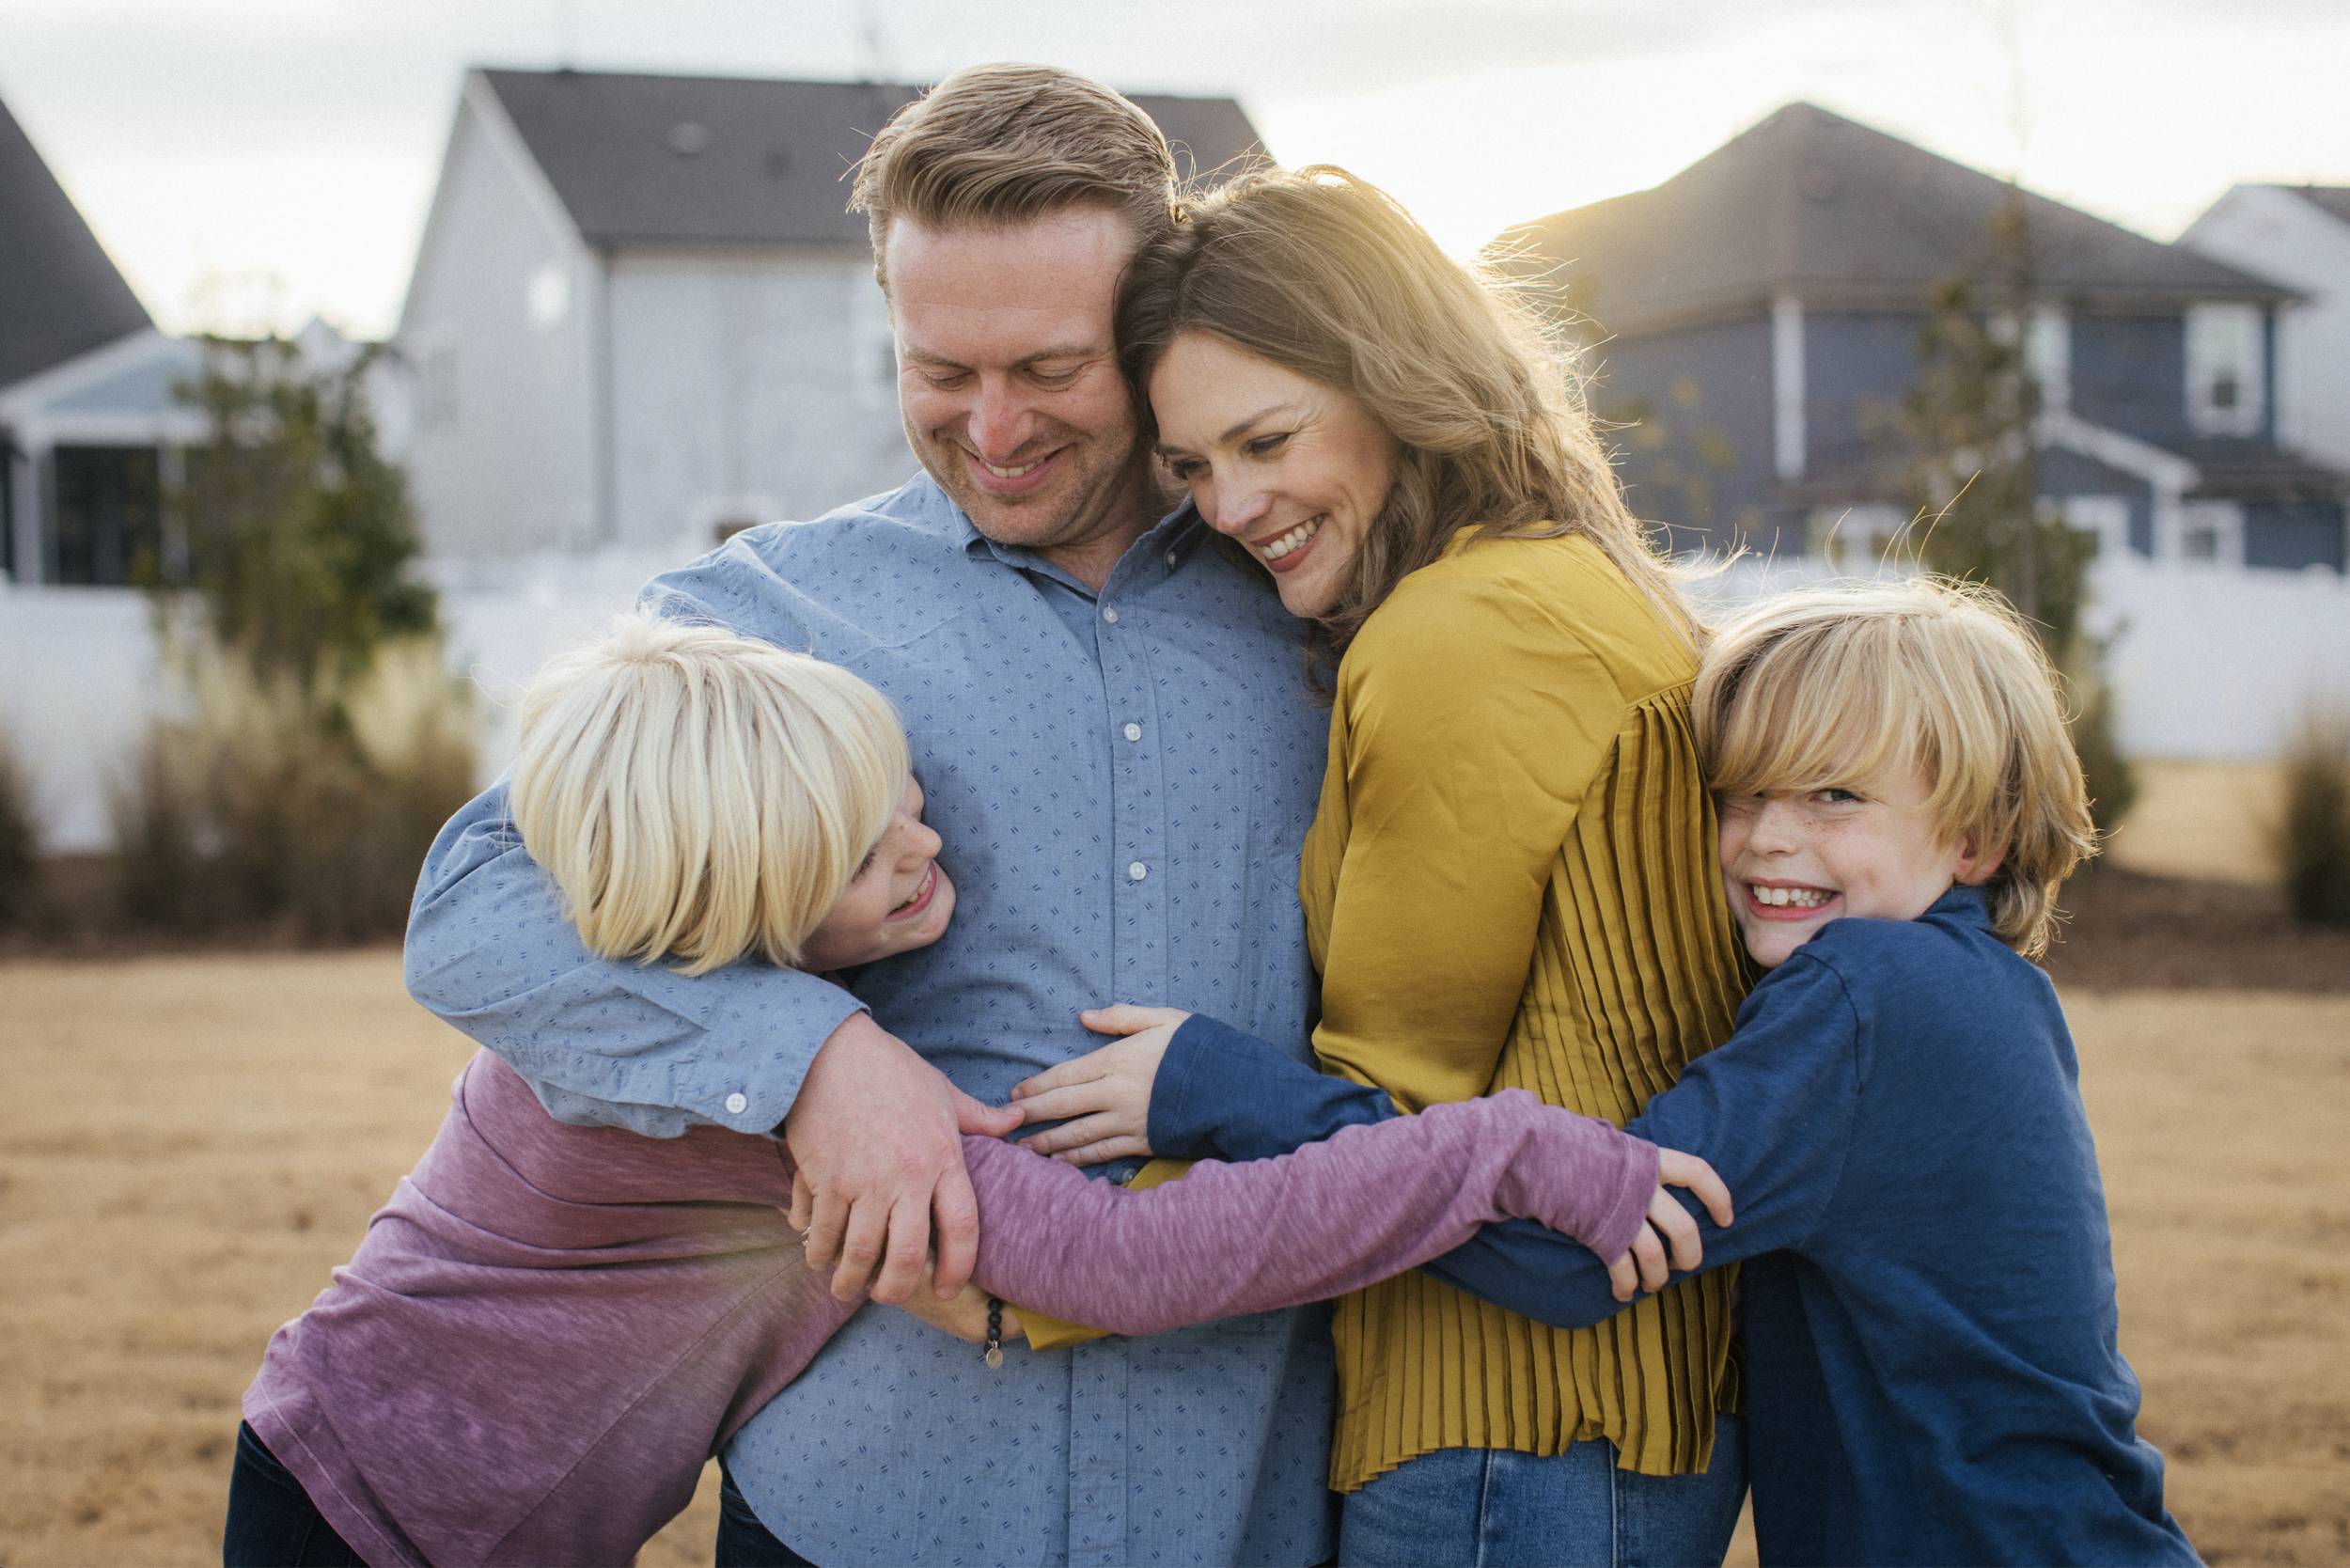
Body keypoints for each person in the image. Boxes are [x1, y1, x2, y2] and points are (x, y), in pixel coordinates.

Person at [404, 65, 1400, 1567]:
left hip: (1243, 1492)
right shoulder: (768, 610)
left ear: (1150, 336)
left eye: (1051, 370)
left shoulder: (1323, 605)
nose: (991, 429)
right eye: (940, 368)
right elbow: (475, 911)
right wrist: (815, 1059)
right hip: (862, 1498)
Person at [230, 613, 1724, 1568]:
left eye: (907, 799)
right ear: (736, 918)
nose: (923, 849)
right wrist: (1499, 1150)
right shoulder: (720, 1100)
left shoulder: (711, 1001)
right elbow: (1130, 1263)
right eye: (867, 860)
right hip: (377, 1507)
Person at [1077, 580, 2204, 1566]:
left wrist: (1229, 1091)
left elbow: (1582, 1250)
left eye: (1834, 797)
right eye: (1741, 794)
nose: (1766, 839)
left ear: (1976, 841)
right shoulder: (1986, 989)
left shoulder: (1867, 989)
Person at [1013, 166, 1753, 1564]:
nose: (1229, 506)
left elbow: (1396, 1139)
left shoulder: (1462, 636)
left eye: (1269, 438)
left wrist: (1045, 1276)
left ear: (1397, 382)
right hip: (1601, 1428)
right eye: (1190, 467)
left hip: (1509, 1432)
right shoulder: (1557, 585)